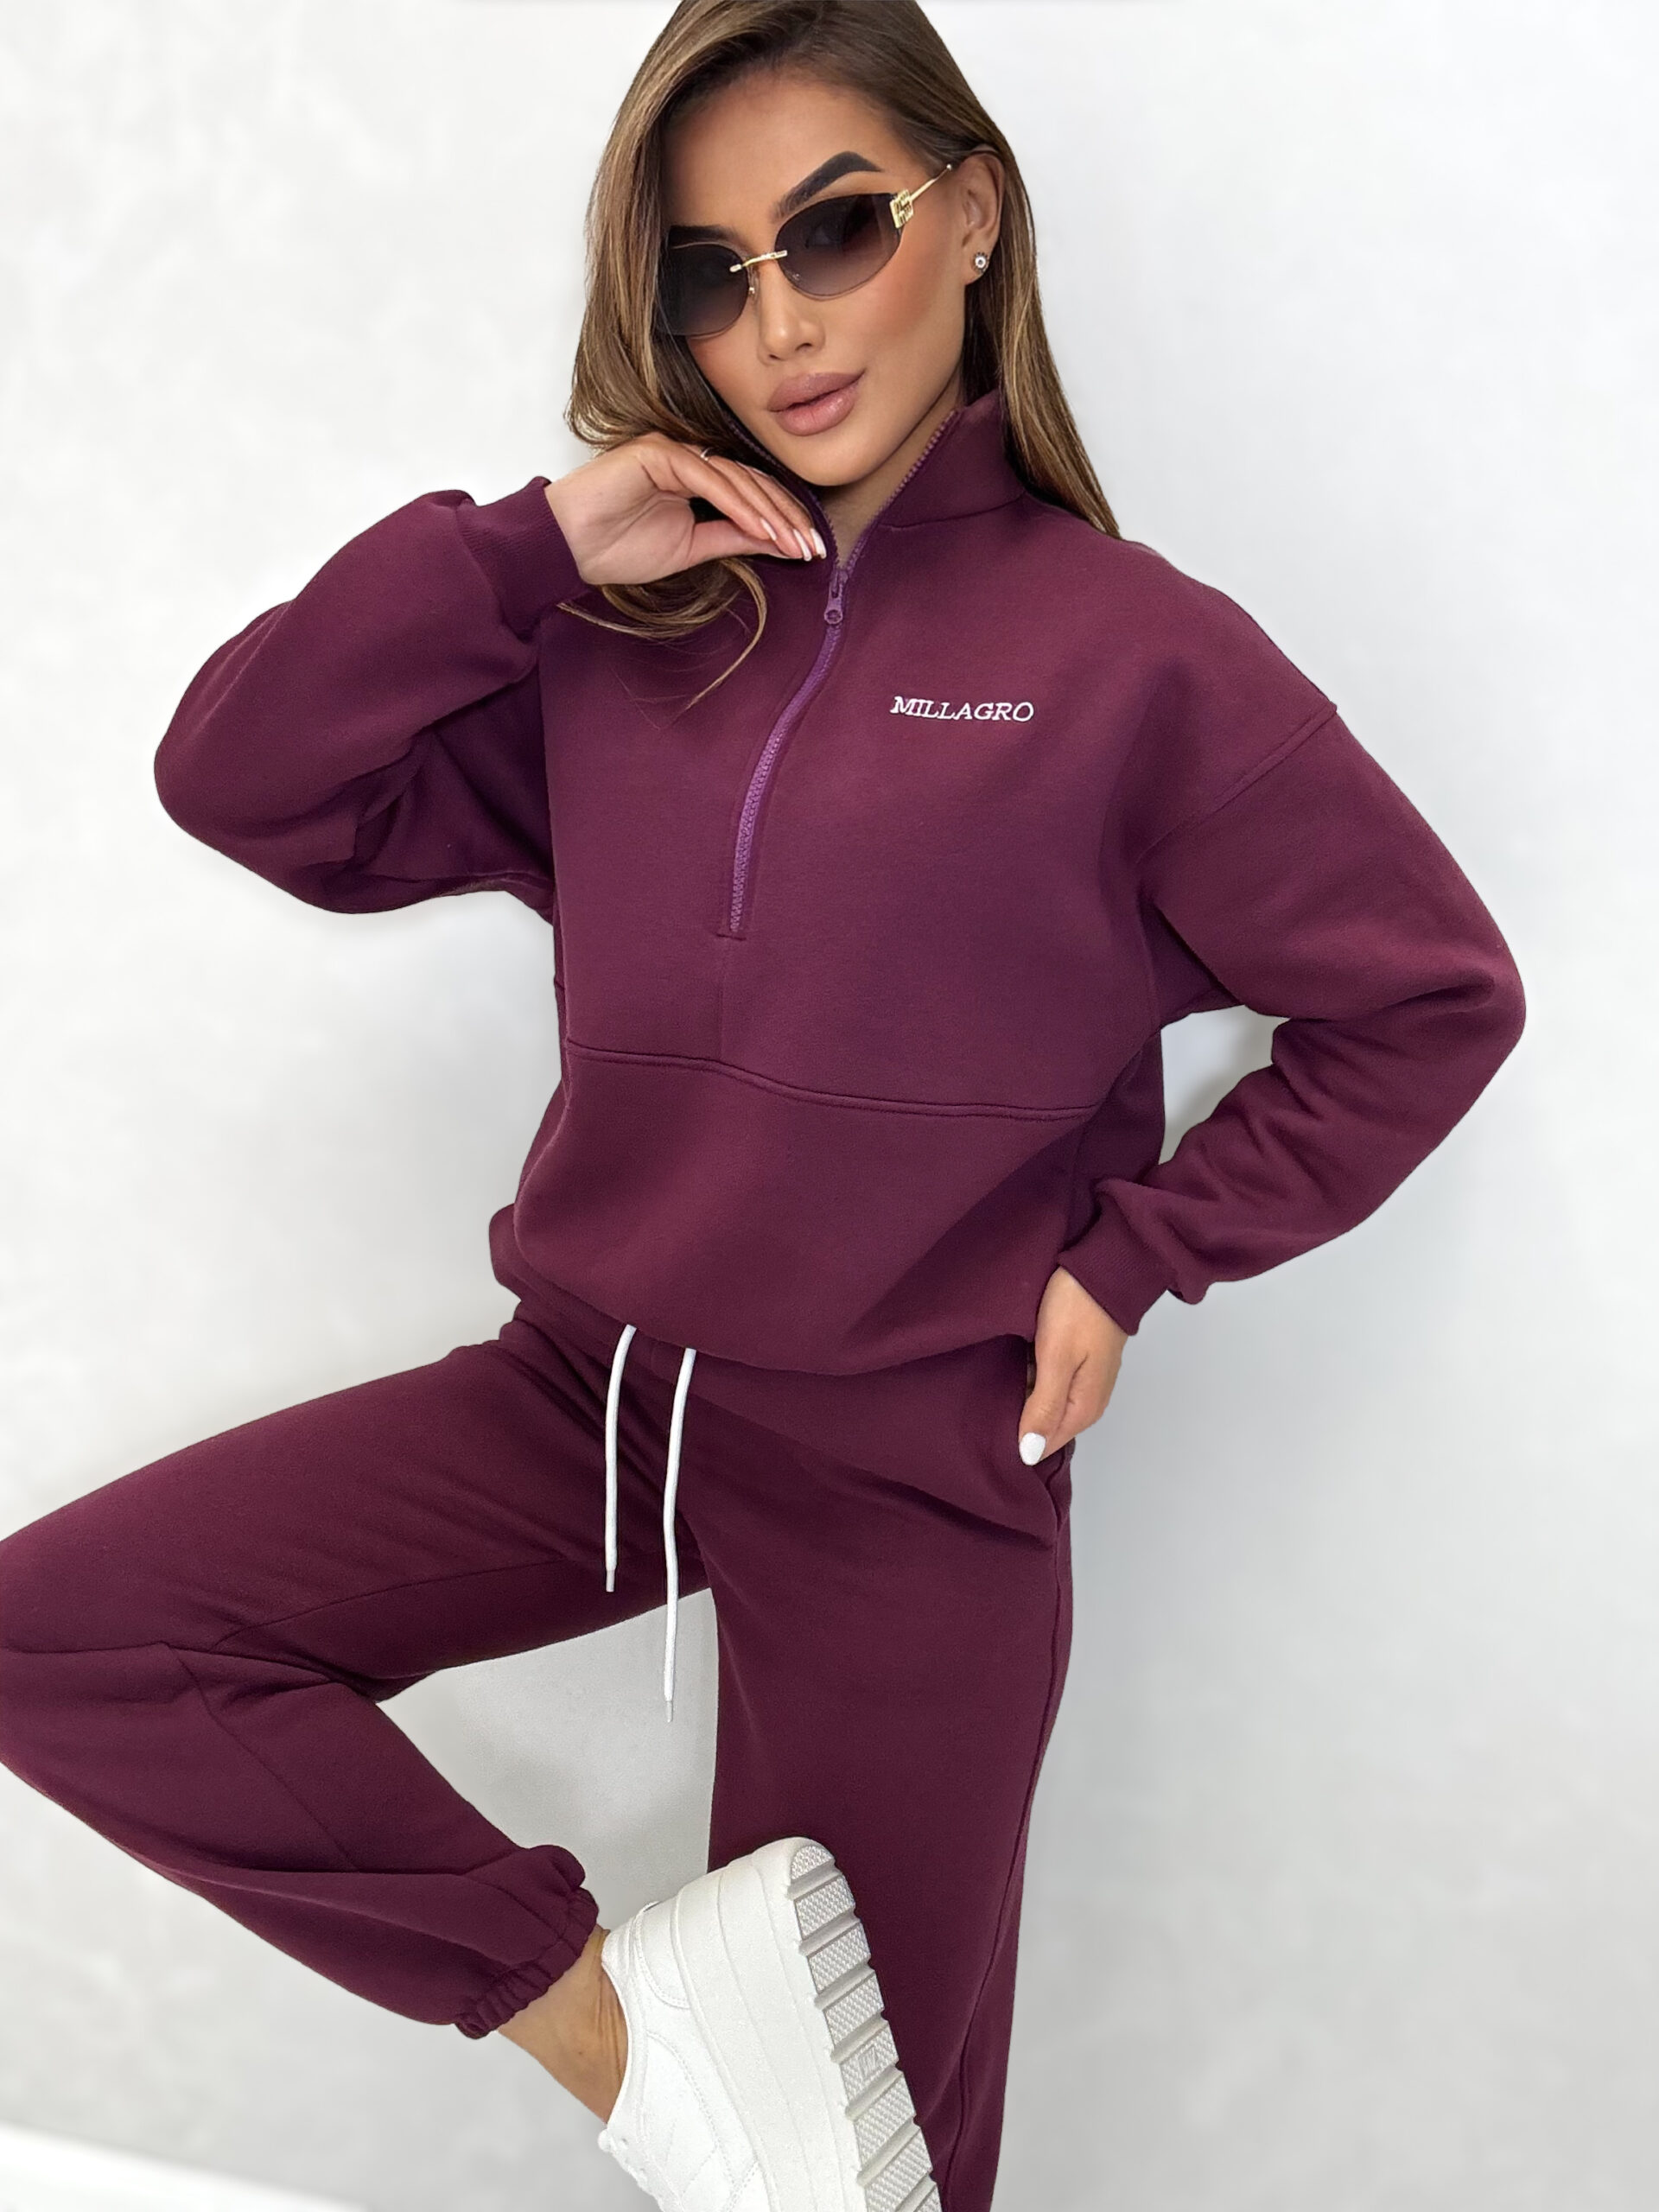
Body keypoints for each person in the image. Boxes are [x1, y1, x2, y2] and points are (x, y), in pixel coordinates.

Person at [0, 3, 1527, 2209]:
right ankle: (626, 2035)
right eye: (712, 273)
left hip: (916, 1475)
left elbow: (1431, 997)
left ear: (972, 218)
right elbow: (238, 774)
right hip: (586, 1402)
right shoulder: (627, 638)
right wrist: (533, 546)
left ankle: (739, 2090)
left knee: (867, 2178)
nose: (781, 324)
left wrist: (1141, 1254)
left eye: (835, 232)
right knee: (69, 1632)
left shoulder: (1140, 658)